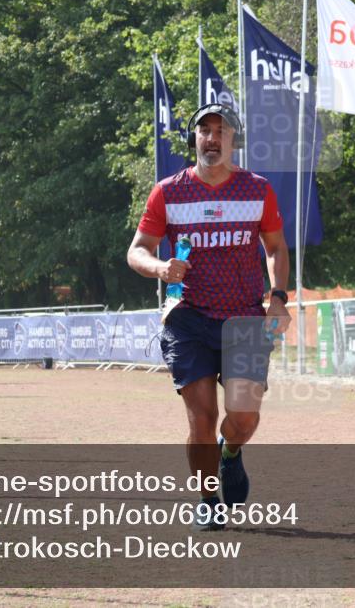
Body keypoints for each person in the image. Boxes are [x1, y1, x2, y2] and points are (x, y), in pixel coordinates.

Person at [127, 103, 290, 531]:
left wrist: (277, 297)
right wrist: (160, 268)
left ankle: (231, 451)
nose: (212, 138)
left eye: (221, 131)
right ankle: (207, 499)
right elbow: (137, 250)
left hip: (244, 319)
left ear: (234, 139)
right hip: (189, 318)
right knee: (200, 416)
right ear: (194, 139)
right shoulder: (168, 191)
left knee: (244, 418)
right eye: (204, 131)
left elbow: (275, 248)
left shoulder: (257, 190)